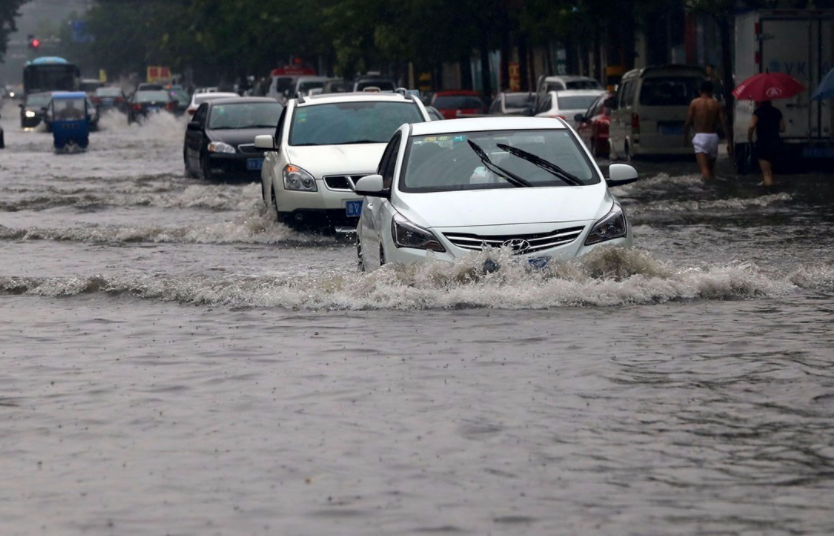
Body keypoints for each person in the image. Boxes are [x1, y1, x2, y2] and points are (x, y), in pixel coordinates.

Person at [683, 80, 732, 180]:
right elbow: (724, 124)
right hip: (713, 137)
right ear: (712, 91)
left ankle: (708, 192)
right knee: (711, 170)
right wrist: (730, 142)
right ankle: (713, 189)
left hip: (701, 137)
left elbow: (688, 122)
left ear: (700, 91)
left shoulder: (694, 103)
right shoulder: (716, 105)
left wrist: (685, 137)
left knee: (704, 170)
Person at [748, 100, 786, 188]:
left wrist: (749, 138)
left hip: (763, 144)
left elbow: (751, 126)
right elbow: (783, 128)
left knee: (767, 174)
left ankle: (769, 194)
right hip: (776, 143)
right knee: (773, 172)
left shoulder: (758, 112)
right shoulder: (777, 112)